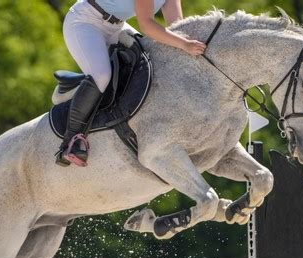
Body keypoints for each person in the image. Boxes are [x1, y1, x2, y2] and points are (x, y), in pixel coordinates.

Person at [56, 0, 206, 167]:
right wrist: (185, 44)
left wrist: (193, 45)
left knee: (152, 60)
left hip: (116, 26)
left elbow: (178, 28)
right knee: (102, 75)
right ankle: (70, 142)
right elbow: (147, 26)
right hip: (85, 22)